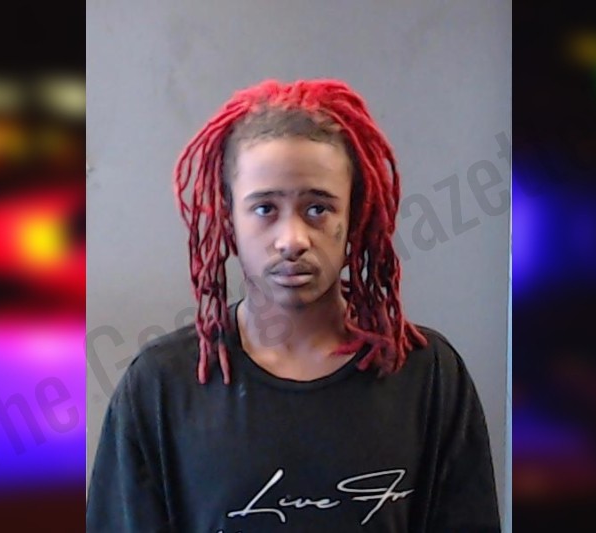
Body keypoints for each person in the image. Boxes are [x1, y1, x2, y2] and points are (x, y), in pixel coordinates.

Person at [86, 79, 500, 532]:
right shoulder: (161, 386)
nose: (292, 240)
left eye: (318, 209)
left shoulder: (426, 374)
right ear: (228, 219)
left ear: (355, 216)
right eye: (265, 209)